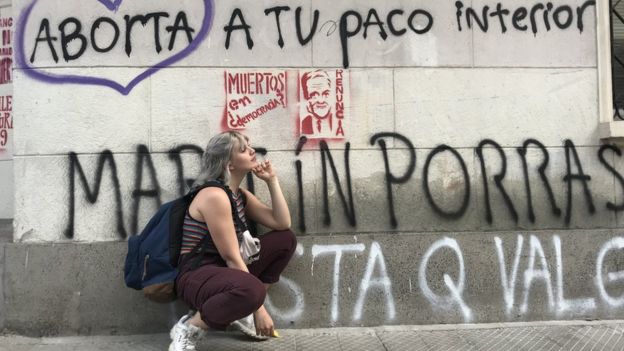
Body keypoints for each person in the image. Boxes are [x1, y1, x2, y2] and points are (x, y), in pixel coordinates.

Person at [169, 131, 297, 351]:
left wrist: (271, 181)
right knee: (252, 291)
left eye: (249, 146)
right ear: (229, 165)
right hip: (197, 276)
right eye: (243, 149)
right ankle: (189, 328)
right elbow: (231, 257)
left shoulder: (238, 195)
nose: (252, 151)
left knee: (285, 240)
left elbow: (282, 223)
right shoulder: (214, 196)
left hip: (225, 274)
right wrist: (260, 308)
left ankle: (241, 307)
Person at [301, 70, 335, 137]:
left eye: (326, 93)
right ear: (306, 97)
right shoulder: (304, 123)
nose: (321, 100)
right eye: (314, 95)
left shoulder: (338, 122)